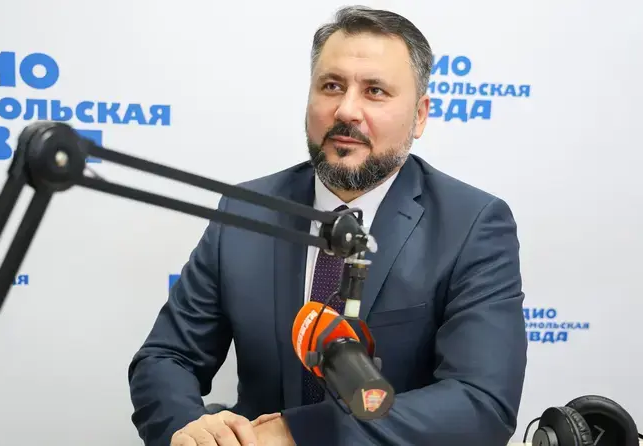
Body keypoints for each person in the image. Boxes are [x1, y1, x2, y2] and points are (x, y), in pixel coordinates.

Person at [128, 5, 528, 446]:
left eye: (375, 91)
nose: (347, 110)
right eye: (332, 86)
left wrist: (297, 433)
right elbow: (165, 358)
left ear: (419, 116)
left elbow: (481, 403)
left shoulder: (472, 224)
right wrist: (187, 429)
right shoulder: (245, 211)